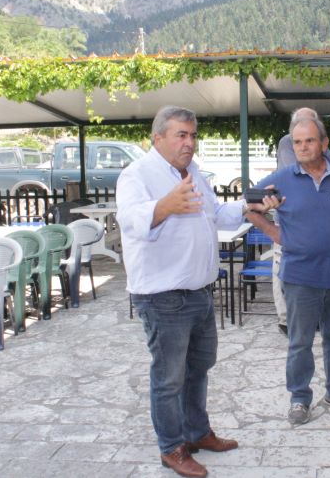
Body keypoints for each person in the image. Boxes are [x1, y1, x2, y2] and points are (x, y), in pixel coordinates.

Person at [116, 106, 279, 478]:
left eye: (193, 135)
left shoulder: (193, 174)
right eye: (181, 135)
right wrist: (164, 206)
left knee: (199, 367)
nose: (189, 142)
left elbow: (216, 214)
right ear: (158, 137)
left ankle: (197, 432)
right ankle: (172, 447)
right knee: (169, 377)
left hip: (200, 291)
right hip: (163, 297)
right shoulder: (137, 174)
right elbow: (130, 220)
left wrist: (249, 205)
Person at [248, 108, 330, 426]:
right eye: (297, 142)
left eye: (309, 141)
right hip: (300, 276)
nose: (302, 147)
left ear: (324, 143)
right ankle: (299, 398)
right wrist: (276, 233)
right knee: (300, 341)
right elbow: (249, 206)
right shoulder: (281, 179)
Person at [272, 113, 330, 336]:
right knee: (282, 265)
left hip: (315, 222)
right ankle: (285, 319)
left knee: (313, 267)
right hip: (289, 222)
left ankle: (312, 315)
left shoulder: (321, 144)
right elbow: (301, 174)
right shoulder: (287, 142)